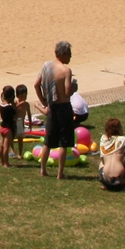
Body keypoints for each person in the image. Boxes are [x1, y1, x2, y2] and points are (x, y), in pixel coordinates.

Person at [35, 42, 75, 180]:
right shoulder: (66, 71)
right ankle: (60, 173)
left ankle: (43, 170)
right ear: (62, 54)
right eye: (69, 54)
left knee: (48, 140)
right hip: (63, 107)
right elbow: (68, 92)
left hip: (52, 107)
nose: (70, 57)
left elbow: (36, 84)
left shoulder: (46, 66)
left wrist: (44, 101)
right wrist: (74, 87)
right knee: (63, 142)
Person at [97, 117, 125, 192]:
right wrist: (123, 154)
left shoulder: (103, 139)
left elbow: (103, 159)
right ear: (118, 129)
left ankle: (106, 185)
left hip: (106, 179)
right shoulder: (122, 139)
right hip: (120, 180)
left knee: (102, 162)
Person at [0, 85, 18, 166]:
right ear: (12, 96)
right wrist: (14, 106)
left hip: (2, 127)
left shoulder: (1, 105)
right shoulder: (9, 107)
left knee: (1, 146)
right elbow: (15, 115)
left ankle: (2, 162)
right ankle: (6, 163)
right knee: (6, 147)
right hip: (8, 129)